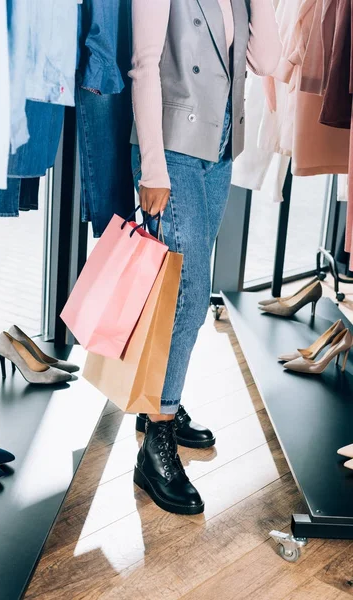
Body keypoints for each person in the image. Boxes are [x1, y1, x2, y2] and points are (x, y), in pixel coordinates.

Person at [129, 0, 282, 515]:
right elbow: (144, 65)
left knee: (186, 293)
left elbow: (268, 61)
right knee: (191, 297)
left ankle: (159, 407)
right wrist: (152, 167)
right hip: (172, 151)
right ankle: (157, 443)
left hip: (217, 150)